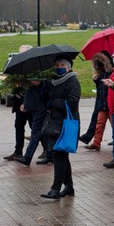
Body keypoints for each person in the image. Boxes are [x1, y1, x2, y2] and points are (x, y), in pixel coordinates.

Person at [39, 56, 81, 199]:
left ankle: (55, 189)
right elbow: (46, 99)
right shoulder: (53, 81)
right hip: (55, 122)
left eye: (62, 65)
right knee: (62, 155)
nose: (59, 67)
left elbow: (72, 102)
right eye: (57, 65)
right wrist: (44, 86)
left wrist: (54, 102)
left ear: (68, 67)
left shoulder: (72, 81)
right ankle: (68, 186)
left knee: (59, 155)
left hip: (66, 123)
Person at [5, 45, 34, 161]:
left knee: (35, 127)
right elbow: (11, 82)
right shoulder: (16, 67)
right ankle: (18, 151)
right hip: (19, 103)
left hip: (32, 104)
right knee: (18, 127)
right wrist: (13, 91)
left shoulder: (34, 67)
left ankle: (47, 150)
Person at [80, 51, 113, 151]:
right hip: (103, 103)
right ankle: (96, 143)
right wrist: (96, 80)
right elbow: (100, 88)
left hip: (110, 103)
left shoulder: (111, 73)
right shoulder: (100, 75)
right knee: (99, 124)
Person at [15, 73, 49, 166]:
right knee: (41, 133)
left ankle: (27, 157)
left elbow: (41, 88)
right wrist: (25, 103)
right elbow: (28, 92)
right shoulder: (28, 73)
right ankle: (50, 155)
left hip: (39, 108)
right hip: (33, 107)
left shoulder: (40, 75)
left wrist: (36, 82)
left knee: (35, 133)